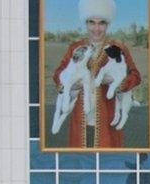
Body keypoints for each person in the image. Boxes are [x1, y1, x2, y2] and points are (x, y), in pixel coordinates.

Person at [52, 0, 141, 148]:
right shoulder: (75, 47)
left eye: (102, 23)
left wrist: (117, 85)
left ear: (108, 24)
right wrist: (70, 85)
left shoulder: (118, 47)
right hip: (79, 122)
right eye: (92, 22)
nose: (96, 28)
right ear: (86, 23)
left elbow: (135, 76)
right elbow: (58, 74)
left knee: (109, 165)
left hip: (108, 122)